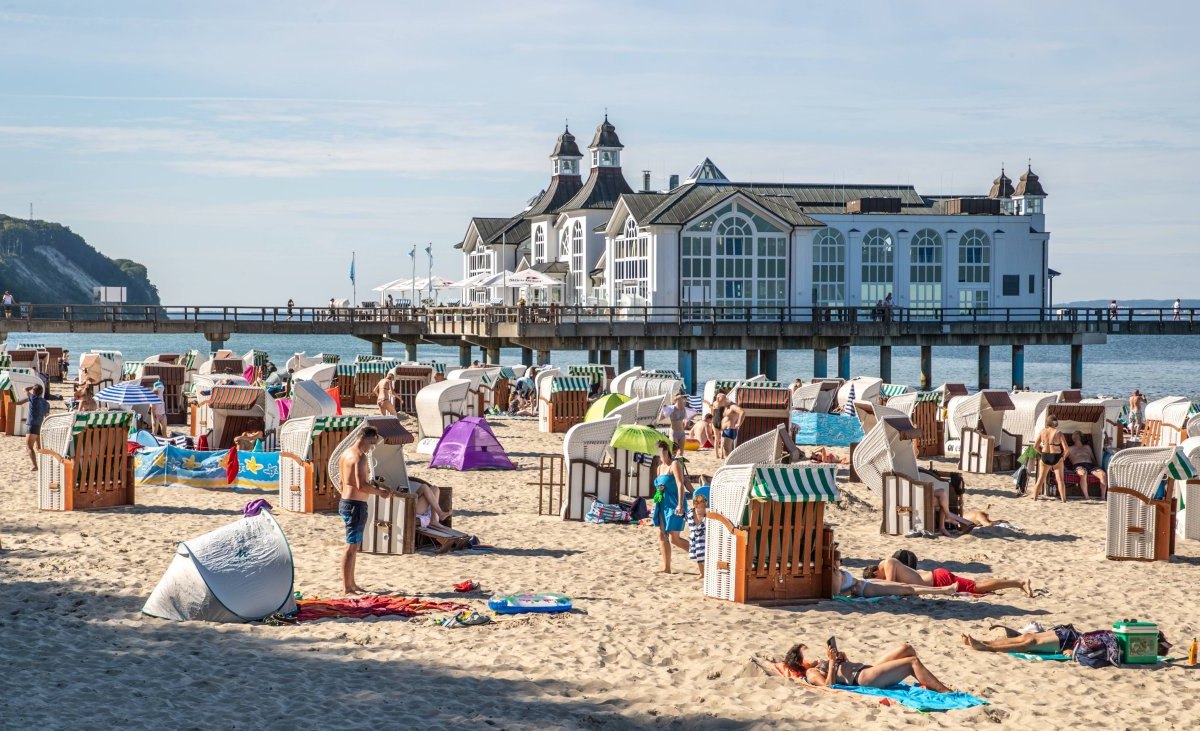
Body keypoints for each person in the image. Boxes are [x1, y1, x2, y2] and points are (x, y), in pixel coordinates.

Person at [335, 427, 396, 594]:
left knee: (353, 546)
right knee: (351, 546)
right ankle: (347, 587)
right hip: (355, 505)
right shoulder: (360, 457)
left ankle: (351, 584)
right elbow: (361, 485)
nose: (372, 447)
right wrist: (381, 493)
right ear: (370, 439)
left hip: (346, 502)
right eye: (373, 443)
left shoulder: (346, 453)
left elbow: (343, 481)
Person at [783, 640, 952, 693]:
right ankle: (946, 692)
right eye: (807, 652)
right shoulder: (812, 672)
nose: (812, 651)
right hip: (863, 678)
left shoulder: (820, 663)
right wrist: (833, 662)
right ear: (800, 662)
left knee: (906, 648)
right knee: (912, 662)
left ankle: (927, 681)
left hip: (865, 669)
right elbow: (829, 685)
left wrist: (842, 658)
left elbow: (841, 671)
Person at [864, 556, 1033, 597]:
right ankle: (1016, 583)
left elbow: (890, 586)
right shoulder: (889, 565)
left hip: (939, 580)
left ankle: (1018, 582)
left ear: (875, 572)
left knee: (977, 586)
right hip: (937, 579)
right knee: (976, 586)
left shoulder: (888, 563)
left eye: (876, 579)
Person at [830, 549, 957, 599]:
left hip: (865, 583)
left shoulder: (838, 572)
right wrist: (852, 591)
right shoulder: (835, 576)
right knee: (908, 589)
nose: (840, 562)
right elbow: (837, 596)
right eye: (839, 560)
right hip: (865, 588)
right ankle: (943, 591)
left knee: (904, 586)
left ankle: (942, 589)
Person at [652, 442, 690, 573]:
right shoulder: (659, 468)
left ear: (667, 450)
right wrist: (659, 491)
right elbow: (659, 489)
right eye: (658, 450)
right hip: (663, 505)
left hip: (675, 504)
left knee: (675, 539)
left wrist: (680, 504)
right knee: (662, 535)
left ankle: (703, 556)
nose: (659, 452)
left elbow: (680, 484)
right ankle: (666, 567)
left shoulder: (674, 464)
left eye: (661, 450)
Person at [1030, 413, 1068, 501]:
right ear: (1056, 422)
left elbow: (1035, 446)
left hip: (1045, 456)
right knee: (1060, 480)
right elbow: (1066, 449)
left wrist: (1041, 453)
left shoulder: (1042, 432)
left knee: (1040, 479)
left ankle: (1035, 498)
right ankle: (1063, 500)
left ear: (1048, 422)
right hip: (1056, 456)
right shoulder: (1059, 433)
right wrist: (1063, 457)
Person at [15, 384, 50, 470]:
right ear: (42, 392)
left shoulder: (33, 398)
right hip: (41, 425)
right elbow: (47, 415)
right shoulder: (46, 403)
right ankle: (46, 464)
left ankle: (35, 466)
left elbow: (24, 389)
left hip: (32, 425)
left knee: (29, 447)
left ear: (34, 391)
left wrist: (32, 386)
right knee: (39, 448)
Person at [1065, 431, 1107, 500]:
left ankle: (1103, 498)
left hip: (1090, 465)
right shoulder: (1069, 448)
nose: (1075, 436)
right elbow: (1063, 458)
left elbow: (1093, 459)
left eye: (1076, 435)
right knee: (1083, 473)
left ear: (1081, 437)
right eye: (1073, 435)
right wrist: (1066, 468)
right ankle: (1087, 497)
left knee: (1103, 475)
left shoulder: (1087, 447)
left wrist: (1097, 467)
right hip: (1078, 465)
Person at [688, 486, 709, 580]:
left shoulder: (707, 516)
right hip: (695, 539)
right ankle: (702, 573)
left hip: (705, 538)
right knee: (698, 557)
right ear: (695, 506)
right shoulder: (690, 514)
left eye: (704, 507)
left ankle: (707, 573)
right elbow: (682, 515)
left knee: (705, 557)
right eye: (700, 507)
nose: (702, 510)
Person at [715, 392, 743, 458]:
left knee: (727, 449)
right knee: (726, 449)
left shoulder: (732, 406)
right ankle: (728, 464)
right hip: (725, 430)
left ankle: (729, 464)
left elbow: (742, 412)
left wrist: (739, 423)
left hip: (730, 429)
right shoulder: (726, 407)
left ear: (724, 400)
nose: (720, 405)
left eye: (720, 403)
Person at [711, 391, 729, 459]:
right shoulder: (724, 404)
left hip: (715, 420)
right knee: (722, 439)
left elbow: (712, 414)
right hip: (722, 421)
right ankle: (722, 455)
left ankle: (716, 455)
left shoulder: (714, 403)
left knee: (716, 439)